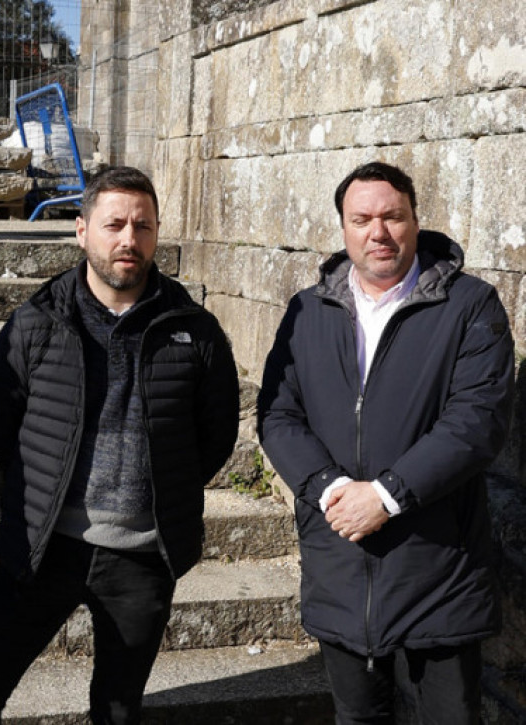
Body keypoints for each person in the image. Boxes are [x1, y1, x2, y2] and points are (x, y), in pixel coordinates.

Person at [0, 166, 240, 724]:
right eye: (114, 225)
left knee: (118, 710)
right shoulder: (37, 323)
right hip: (44, 546)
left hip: (141, 557)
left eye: (143, 226)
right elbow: (1, 429)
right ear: (82, 230)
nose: (129, 239)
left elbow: (213, 437)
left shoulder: (195, 331)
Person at [257, 161, 514, 724]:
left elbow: (477, 421)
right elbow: (278, 413)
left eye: (393, 216)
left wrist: (388, 496)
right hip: (341, 564)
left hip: (437, 571)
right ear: (344, 229)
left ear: (415, 222)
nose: (379, 232)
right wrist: (330, 489)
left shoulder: (469, 305)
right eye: (362, 219)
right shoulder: (307, 311)